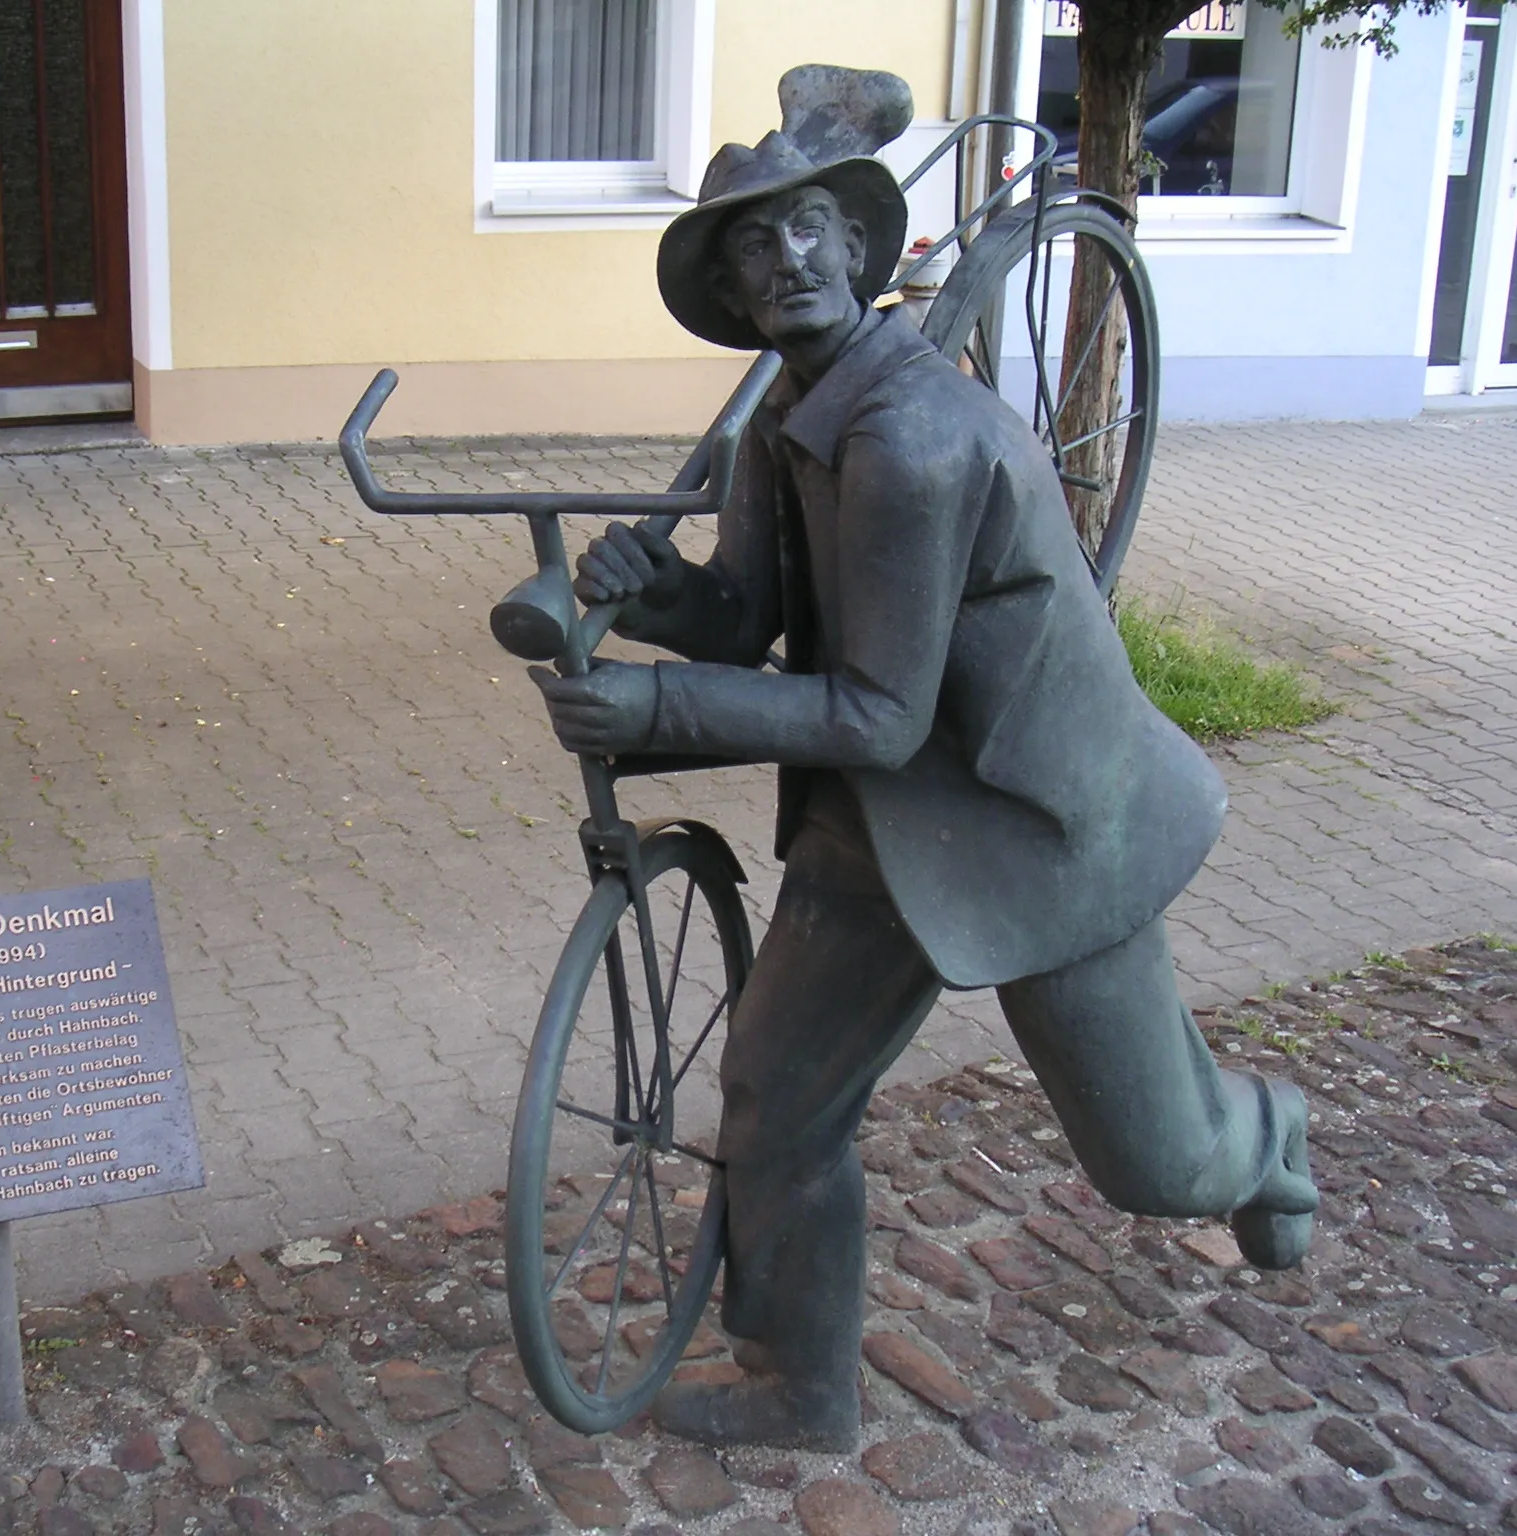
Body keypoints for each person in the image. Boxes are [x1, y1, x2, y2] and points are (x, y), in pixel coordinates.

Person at [528, 65, 1318, 1452]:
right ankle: (800, 1385)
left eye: (804, 230)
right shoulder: (790, 417)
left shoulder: (913, 438)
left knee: (1155, 1159)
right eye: (750, 248)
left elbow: (874, 710)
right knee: (775, 1097)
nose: (783, 263)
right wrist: (652, 593)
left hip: (1035, 822)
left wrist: (656, 716)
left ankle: (1264, 1134)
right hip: (885, 826)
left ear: (856, 241)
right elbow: (752, 614)